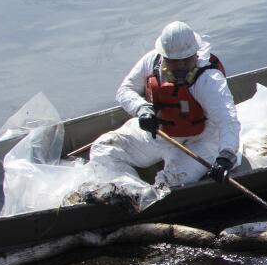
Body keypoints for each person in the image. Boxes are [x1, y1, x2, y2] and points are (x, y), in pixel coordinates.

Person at [88, 20, 241, 190]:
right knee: (103, 149)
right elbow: (125, 90)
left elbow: (228, 121)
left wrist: (225, 157)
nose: (181, 67)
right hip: (158, 135)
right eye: (174, 62)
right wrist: (142, 109)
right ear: (164, 56)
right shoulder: (151, 62)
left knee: (167, 186)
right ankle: (130, 192)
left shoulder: (209, 79)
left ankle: (152, 195)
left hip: (200, 142)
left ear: (195, 54)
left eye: (186, 61)